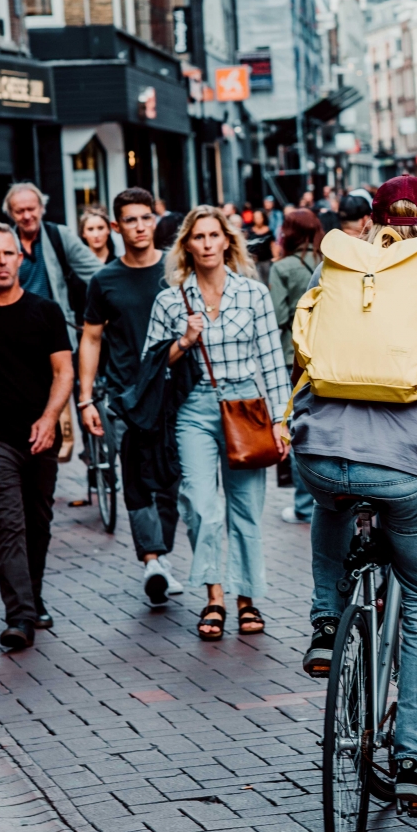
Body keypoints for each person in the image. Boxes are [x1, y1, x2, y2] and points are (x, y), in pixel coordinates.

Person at [292, 177, 417, 817]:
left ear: (372, 223)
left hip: (320, 455)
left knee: (333, 499)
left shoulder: (343, 266)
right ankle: (415, 764)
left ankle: (327, 626)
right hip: (406, 470)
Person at [144, 206, 289, 640]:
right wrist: (183, 342)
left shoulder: (253, 294)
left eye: (214, 235)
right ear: (186, 245)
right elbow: (151, 364)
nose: (207, 244)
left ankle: (247, 599)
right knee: (202, 507)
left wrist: (282, 421)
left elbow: (272, 363)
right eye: (198, 237)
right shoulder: (171, 299)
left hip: (245, 404)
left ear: (227, 240)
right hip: (194, 409)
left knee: (245, 510)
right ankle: (215, 596)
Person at [79, 188, 183, 606]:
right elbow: (90, 339)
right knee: (136, 474)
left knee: (172, 479)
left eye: (147, 218)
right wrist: (86, 399)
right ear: (117, 227)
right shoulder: (104, 280)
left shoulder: (175, 270)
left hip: (176, 391)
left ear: (154, 220)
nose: (140, 227)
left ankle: (162, 554)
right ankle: (153, 560)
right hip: (127, 394)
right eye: (132, 220)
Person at [0, 223, 73, 647]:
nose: (1, 262)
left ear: (21, 259)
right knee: (8, 524)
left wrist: (49, 416)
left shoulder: (45, 311)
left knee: (38, 522)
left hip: (41, 435)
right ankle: (18, 616)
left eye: (8, 254)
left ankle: (33, 596)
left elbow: (64, 371)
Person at [269, 208, 323, 526]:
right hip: (331, 354)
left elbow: (276, 315)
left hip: (295, 356)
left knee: (298, 428)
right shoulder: (329, 261)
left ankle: (304, 504)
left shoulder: (283, 268)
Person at [4, 182, 101, 337]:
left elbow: (99, 275)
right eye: (20, 211)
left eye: (31, 209)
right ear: (10, 213)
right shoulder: (4, 244)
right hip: (17, 331)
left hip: (56, 331)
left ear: (42, 208)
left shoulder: (60, 236)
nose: (27, 216)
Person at [246, 208, 277, 285]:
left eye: (259, 217)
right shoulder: (250, 231)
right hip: (254, 261)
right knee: (257, 280)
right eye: (255, 217)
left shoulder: (268, 231)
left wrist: (275, 257)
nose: (257, 220)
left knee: (268, 280)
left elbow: (273, 245)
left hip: (266, 260)